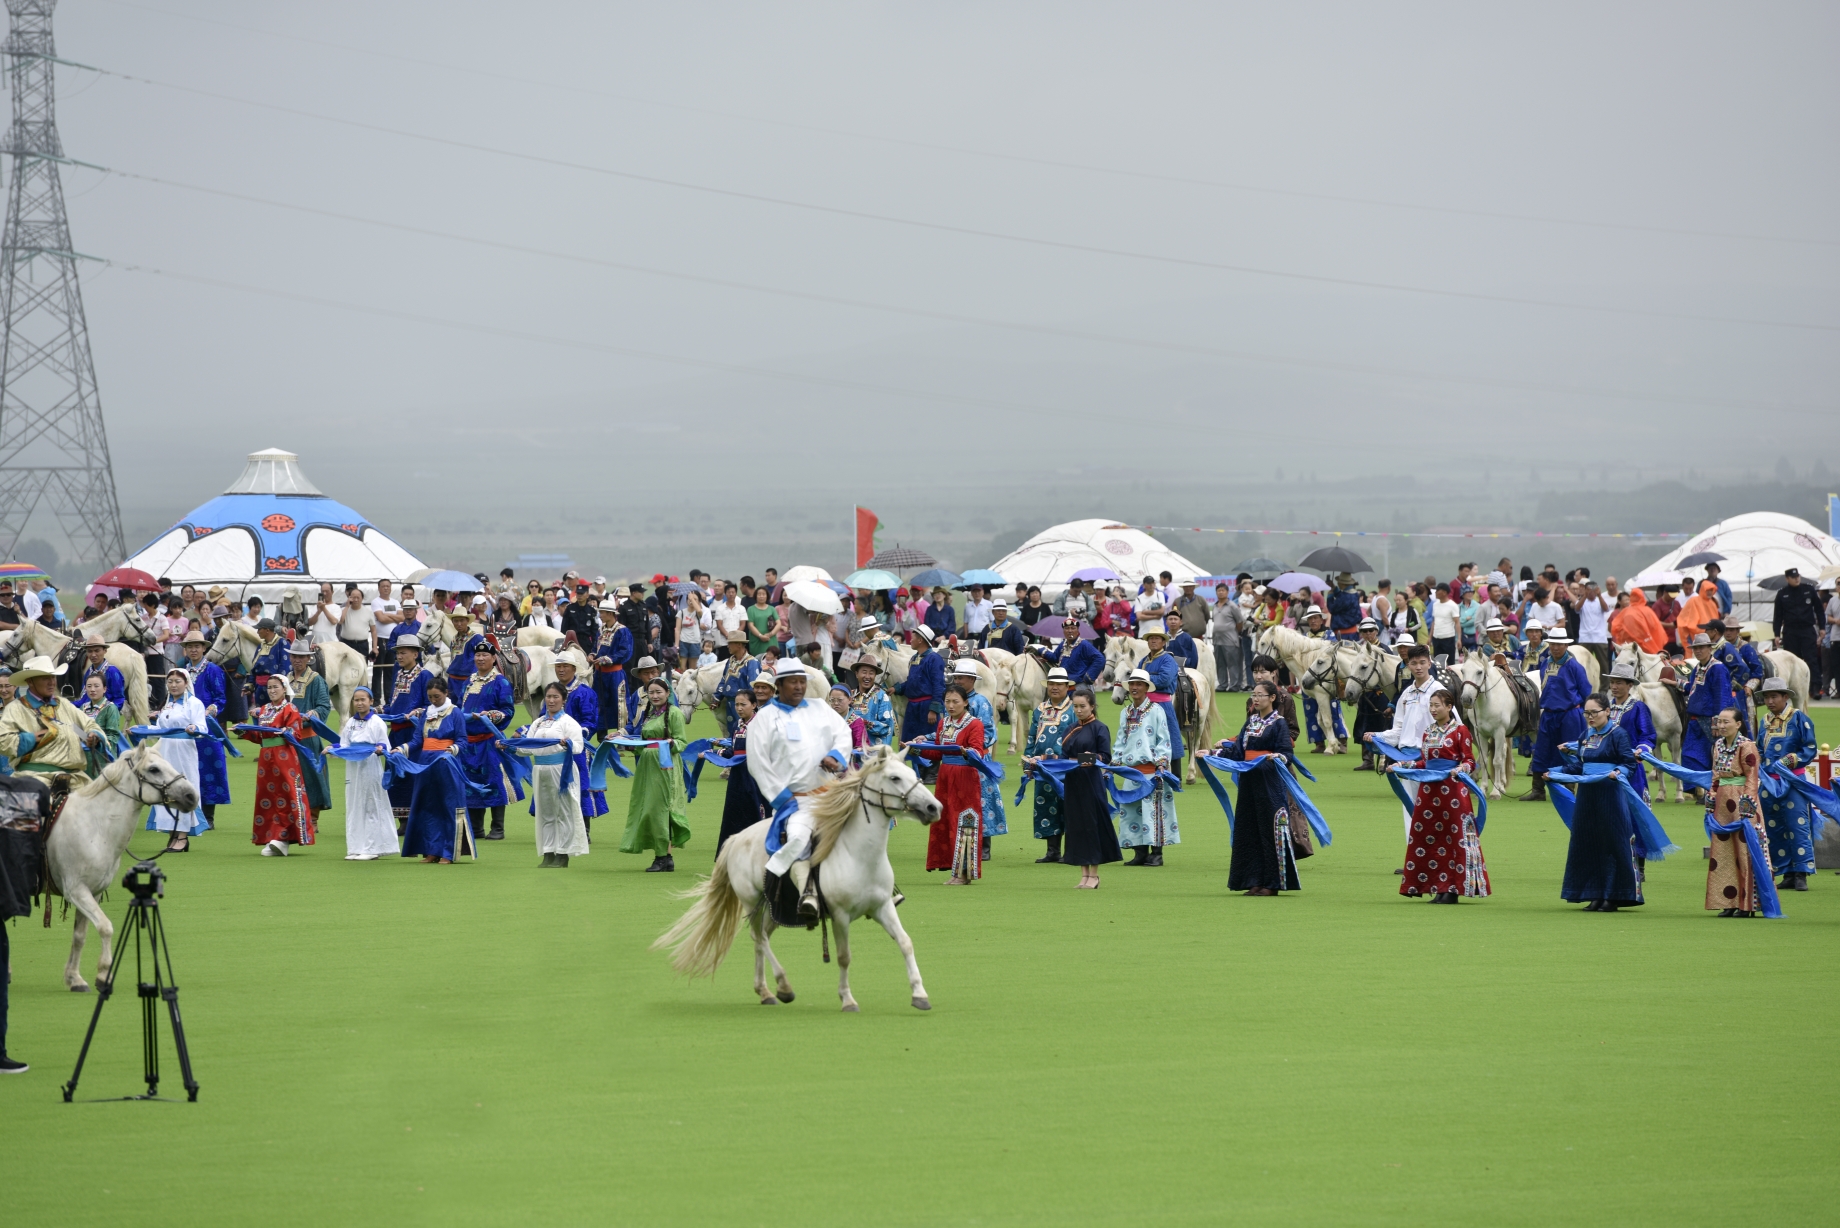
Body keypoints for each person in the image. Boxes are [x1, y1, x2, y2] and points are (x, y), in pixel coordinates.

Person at [751, 658, 853, 912]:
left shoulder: (820, 707)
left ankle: (881, 888)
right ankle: (802, 889)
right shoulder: (764, 718)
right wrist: (782, 799)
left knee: (868, 823)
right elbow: (758, 763)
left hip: (830, 793)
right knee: (798, 838)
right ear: (779, 685)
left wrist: (837, 756)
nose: (799, 687)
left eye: (802, 682)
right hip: (795, 801)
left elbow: (843, 733)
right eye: (793, 682)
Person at [1390, 687, 1487, 902]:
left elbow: (1470, 761)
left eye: (1437, 705)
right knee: (1429, 837)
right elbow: (1425, 762)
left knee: (1455, 838)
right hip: (1429, 791)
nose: (1433, 709)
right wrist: (1401, 765)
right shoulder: (1429, 732)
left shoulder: (1461, 731)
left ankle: (1452, 889)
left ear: (1449, 707)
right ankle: (1437, 886)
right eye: (1431, 705)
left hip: (1453, 791)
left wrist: (1459, 770)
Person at [1551, 692, 1646, 911]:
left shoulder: (1618, 734)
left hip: (1610, 793)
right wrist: (1554, 773)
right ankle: (1594, 893)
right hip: (1587, 794)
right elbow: (1580, 766)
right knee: (1587, 841)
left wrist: (1617, 772)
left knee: (1612, 842)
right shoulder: (1586, 735)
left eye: (1594, 713)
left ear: (1607, 712)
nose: (1590, 717)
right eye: (1586, 713)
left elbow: (1629, 764)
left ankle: (1614, 895)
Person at [1214, 680, 1301, 895]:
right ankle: (1253, 880)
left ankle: (1272, 883)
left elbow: (1287, 754)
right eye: (1254, 694)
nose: (1256, 698)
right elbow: (1237, 751)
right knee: (1249, 830)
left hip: (1269, 783)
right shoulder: (1251, 721)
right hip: (1249, 781)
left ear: (1272, 698)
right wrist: (1211, 753)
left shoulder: (1279, 723)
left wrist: (1275, 757)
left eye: (1261, 695)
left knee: (1270, 831)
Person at [910, 686, 988, 885]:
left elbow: (979, 752)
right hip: (945, 778)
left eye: (955, 701)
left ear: (965, 702)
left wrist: (965, 752)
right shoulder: (943, 723)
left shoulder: (974, 724)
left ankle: (965, 873)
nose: (951, 705)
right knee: (946, 821)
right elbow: (938, 753)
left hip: (965, 777)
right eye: (948, 701)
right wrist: (917, 749)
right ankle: (954, 871)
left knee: (965, 821)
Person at [1703, 707, 1770, 917]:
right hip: (1723, 802)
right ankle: (1728, 901)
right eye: (1719, 722)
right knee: (1723, 851)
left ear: (1739, 724)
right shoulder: (1718, 745)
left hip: (1742, 801)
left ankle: (1747, 904)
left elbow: (1752, 777)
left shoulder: (1747, 746)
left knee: (1745, 850)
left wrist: (1747, 805)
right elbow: (1715, 775)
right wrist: (1711, 798)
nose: (1721, 726)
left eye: (1726, 722)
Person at [1367, 643, 1439, 837]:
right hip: (1406, 759)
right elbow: (1398, 730)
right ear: (1408, 665)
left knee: (1432, 811)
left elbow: (1453, 729)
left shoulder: (1439, 692)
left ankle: (1434, 861)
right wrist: (1377, 737)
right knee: (1410, 809)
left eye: (1422, 662)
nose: (1418, 667)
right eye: (1413, 663)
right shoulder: (1406, 694)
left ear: (1429, 663)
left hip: (1431, 761)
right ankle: (1413, 861)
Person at [241, 676, 316, 857]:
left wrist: (286, 731)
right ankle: (272, 835)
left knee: (286, 794)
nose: (272, 690)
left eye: (275, 687)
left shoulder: (290, 708)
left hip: (285, 757)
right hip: (266, 759)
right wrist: (244, 730)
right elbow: (260, 737)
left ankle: (284, 836)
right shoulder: (265, 710)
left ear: (284, 689)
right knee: (268, 796)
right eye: (269, 687)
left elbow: (296, 733)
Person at [1756, 677, 1818, 892]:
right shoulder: (1764, 721)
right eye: (1766, 697)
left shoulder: (1799, 718)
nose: (1770, 701)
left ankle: (1801, 873)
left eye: (1774, 696)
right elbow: (1760, 751)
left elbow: (1809, 749)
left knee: (1797, 824)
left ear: (1785, 697)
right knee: (1773, 827)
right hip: (1768, 783)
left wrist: (1788, 761)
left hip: (1793, 780)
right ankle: (1787, 872)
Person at [621, 677, 690, 872]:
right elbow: (642, 741)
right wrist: (622, 739)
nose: (655, 696)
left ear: (668, 693)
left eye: (659, 692)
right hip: (647, 765)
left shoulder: (674, 713)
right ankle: (665, 857)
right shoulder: (649, 714)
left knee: (659, 810)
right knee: (648, 809)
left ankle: (662, 856)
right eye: (651, 692)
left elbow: (682, 742)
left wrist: (669, 744)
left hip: (665, 766)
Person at [0, 656, 104, 785]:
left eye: (53, 677)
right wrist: (31, 738)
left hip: (76, 778)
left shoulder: (64, 704)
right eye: (45, 678)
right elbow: (2, 741)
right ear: (30, 681)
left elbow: (88, 724)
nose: (52, 682)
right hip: (33, 778)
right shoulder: (15, 708)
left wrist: (93, 735)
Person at [521, 682, 591, 868]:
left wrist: (565, 744)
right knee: (545, 813)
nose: (551, 701)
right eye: (548, 697)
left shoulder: (568, 722)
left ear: (563, 700)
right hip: (541, 770)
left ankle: (563, 853)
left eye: (555, 697)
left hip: (561, 769)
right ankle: (548, 852)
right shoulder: (538, 722)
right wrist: (510, 746)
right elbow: (528, 747)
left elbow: (578, 746)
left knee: (563, 812)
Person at [400, 676, 469, 865]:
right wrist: (401, 749)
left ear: (446, 693)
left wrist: (452, 750)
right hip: (425, 765)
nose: (433, 701)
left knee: (447, 806)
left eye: (436, 697)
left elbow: (462, 740)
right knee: (427, 807)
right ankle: (431, 850)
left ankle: (448, 851)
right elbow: (417, 741)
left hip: (447, 763)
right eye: (430, 697)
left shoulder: (455, 713)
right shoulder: (426, 713)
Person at [1057, 686, 1122, 887]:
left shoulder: (1099, 728)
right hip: (1073, 782)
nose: (1078, 710)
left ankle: (1094, 874)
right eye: (1075, 706)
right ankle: (1083, 873)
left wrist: (1084, 759)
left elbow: (1105, 756)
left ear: (1092, 706)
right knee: (1076, 826)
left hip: (1092, 782)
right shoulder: (1069, 729)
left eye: (1082, 706)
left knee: (1092, 825)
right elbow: (1063, 756)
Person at [142, 668, 212, 852]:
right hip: (166, 750)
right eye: (170, 681)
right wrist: (141, 729)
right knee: (166, 788)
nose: (173, 685)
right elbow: (159, 729)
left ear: (186, 683)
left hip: (184, 751)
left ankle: (182, 835)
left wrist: (193, 727)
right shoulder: (167, 704)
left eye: (177, 681)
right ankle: (173, 833)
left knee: (183, 787)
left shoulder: (194, 703)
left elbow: (203, 728)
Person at [1113, 668, 1178, 866]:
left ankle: (1156, 854)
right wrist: (1115, 762)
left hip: (1152, 771)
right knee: (1131, 811)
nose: (1134, 687)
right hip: (1131, 771)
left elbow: (1163, 740)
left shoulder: (1156, 710)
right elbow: (1120, 740)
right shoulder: (1126, 712)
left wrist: (1161, 764)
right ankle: (1139, 852)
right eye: (1132, 684)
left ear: (1146, 688)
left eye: (1138, 684)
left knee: (1154, 812)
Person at [1520, 628, 1590, 804]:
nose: (1556, 647)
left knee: (1569, 752)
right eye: (1553, 643)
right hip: (1549, 714)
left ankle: (1568, 789)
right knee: (1542, 750)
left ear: (1566, 645)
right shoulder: (1546, 663)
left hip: (1570, 715)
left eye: (1559, 644)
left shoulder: (1575, 666)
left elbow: (1586, 692)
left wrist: (1582, 712)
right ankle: (1538, 789)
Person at [458, 642, 516, 842]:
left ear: (493, 659)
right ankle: (476, 827)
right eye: (478, 655)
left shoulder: (501, 682)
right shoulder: (468, 681)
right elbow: (459, 706)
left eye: (485, 655)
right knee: (472, 783)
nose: (481, 658)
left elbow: (508, 710)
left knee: (494, 780)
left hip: (490, 740)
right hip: (469, 742)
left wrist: (489, 715)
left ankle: (497, 828)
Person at [950, 660, 1007, 861]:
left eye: (961, 678)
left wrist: (971, 746)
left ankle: (984, 848)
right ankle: (961, 844)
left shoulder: (980, 702)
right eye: (955, 677)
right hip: (956, 760)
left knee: (982, 800)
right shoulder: (952, 702)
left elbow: (990, 732)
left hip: (976, 759)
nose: (957, 681)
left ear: (972, 680)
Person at [1021, 666, 1075, 863]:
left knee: (1067, 807)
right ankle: (1052, 851)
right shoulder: (1040, 710)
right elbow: (1032, 737)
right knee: (1046, 805)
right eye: (1051, 683)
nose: (1054, 687)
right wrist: (1028, 762)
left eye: (1059, 684)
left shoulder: (1074, 709)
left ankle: (1070, 850)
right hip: (1042, 768)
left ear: (1067, 687)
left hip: (1066, 767)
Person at [177, 629, 231, 826]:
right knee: (185, 768)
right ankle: (188, 813)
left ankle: (208, 817)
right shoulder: (181, 671)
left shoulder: (213, 670)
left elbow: (221, 698)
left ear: (203, 648)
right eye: (190, 646)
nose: (193, 650)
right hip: (184, 727)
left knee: (208, 769)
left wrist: (211, 710)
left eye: (197, 646)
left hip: (206, 728)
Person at [339, 687, 396, 860]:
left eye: (363, 699)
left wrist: (380, 749)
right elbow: (344, 744)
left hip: (370, 765)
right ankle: (355, 847)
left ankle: (371, 848)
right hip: (353, 767)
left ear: (371, 701)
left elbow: (385, 745)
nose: (360, 703)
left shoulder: (377, 721)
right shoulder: (350, 722)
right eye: (356, 700)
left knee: (370, 804)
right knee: (354, 805)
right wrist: (331, 749)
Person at [550, 648, 605, 829]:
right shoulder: (552, 692)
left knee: (581, 787)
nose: (561, 670)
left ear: (574, 669)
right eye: (558, 666)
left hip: (578, 749)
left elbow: (590, 722)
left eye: (565, 666)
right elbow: (544, 717)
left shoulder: (584, 692)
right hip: (555, 749)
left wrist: (575, 735)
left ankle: (584, 829)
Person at [714, 686, 767, 855]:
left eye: (743, 704)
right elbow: (735, 750)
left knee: (754, 812)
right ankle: (733, 852)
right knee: (735, 813)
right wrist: (714, 752)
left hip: (753, 776)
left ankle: (757, 851)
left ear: (754, 705)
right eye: (737, 704)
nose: (738, 708)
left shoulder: (759, 724)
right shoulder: (738, 725)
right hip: (737, 776)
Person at [285, 641, 335, 819]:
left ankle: (313, 818)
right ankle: (295, 816)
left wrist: (311, 715)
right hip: (288, 739)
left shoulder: (316, 680)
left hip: (307, 737)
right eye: (294, 656)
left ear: (308, 658)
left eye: (301, 656)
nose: (297, 660)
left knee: (312, 778)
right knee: (289, 778)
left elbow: (324, 706)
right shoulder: (286, 679)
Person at [1680, 632, 1732, 778]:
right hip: (1695, 720)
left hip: (1710, 721)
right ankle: (1699, 790)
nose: (1698, 651)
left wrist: (1718, 722)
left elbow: (1721, 695)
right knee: (1691, 756)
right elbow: (1693, 688)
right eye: (1695, 648)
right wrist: (1676, 683)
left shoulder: (1718, 668)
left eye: (1701, 647)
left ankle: (1714, 790)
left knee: (1716, 757)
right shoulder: (1698, 668)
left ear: (1710, 648)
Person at [1136, 625, 1186, 771]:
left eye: (1157, 638)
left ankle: (1176, 776)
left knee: (1170, 738)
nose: (1153, 641)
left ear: (1163, 642)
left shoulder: (1168, 659)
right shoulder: (1144, 661)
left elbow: (1164, 679)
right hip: (1144, 704)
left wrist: (1144, 679)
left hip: (1162, 705)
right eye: (1151, 638)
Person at [1772, 566, 1824, 694]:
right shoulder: (1782, 593)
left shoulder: (1809, 589)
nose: (1796, 579)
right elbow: (1777, 615)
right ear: (1787, 579)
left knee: (1811, 658)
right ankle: (1794, 688)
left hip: (1807, 629)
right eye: (1793, 578)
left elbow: (1819, 610)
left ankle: (1815, 687)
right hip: (1790, 631)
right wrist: (1777, 634)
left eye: (1798, 577)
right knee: (1792, 660)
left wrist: (1822, 627)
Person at [897, 624, 946, 745]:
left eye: (912, 638)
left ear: (920, 640)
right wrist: (896, 688)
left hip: (926, 708)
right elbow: (912, 682)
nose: (910, 640)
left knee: (927, 745)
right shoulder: (914, 658)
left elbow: (938, 685)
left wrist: (933, 710)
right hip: (912, 709)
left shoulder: (934, 658)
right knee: (911, 745)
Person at [591, 598, 633, 738]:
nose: (600, 615)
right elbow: (595, 648)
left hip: (615, 675)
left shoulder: (622, 631)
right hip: (599, 675)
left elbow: (625, 651)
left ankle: (622, 737)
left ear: (610, 614)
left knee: (619, 706)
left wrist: (608, 659)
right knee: (599, 705)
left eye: (602, 612)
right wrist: (592, 655)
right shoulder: (600, 630)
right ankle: (602, 736)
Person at [75, 673, 123, 780]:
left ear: (105, 689)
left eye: (96, 686)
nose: (92, 689)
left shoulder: (111, 708)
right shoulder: (83, 707)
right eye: (89, 686)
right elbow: (77, 729)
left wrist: (98, 741)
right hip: (83, 753)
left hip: (102, 756)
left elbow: (113, 736)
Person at [712, 630, 759, 733]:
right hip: (730, 703)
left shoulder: (751, 663)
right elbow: (724, 679)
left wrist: (749, 704)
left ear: (739, 645)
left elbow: (753, 686)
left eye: (730, 643)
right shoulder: (731, 661)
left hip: (743, 705)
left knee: (744, 731)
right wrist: (717, 698)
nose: (728, 646)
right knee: (732, 731)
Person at [847, 657, 896, 747]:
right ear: (856, 674)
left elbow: (886, 727)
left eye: (871, 673)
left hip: (873, 751)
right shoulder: (850, 696)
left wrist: (861, 722)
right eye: (864, 672)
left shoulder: (882, 696)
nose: (867, 676)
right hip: (852, 750)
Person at [1043, 616, 1104, 687]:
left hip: (1080, 685)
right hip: (1065, 684)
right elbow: (1055, 657)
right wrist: (1041, 651)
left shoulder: (1084, 644)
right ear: (1063, 631)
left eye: (1073, 628)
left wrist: (1089, 676)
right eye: (1067, 628)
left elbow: (1100, 658)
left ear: (1078, 631)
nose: (1070, 631)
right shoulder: (1063, 644)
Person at [1211, 584, 1247, 691]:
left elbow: (1239, 622)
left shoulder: (1232, 606)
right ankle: (1222, 684)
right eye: (1218, 590)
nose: (1220, 592)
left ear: (1227, 592)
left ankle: (1234, 685)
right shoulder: (1215, 606)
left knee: (1233, 664)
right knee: (1220, 664)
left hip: (1230, 640)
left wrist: (1234, 632)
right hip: (1217, 640)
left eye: (1223, 590)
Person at [80, 633, 126, 711]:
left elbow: (119, 699)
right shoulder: (88, 672)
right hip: (89, 715)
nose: (93, 655)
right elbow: (84, 699)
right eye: (90, 651)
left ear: (105, 651)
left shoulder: (113, 672)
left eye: (97, 650)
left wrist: (106, 712)